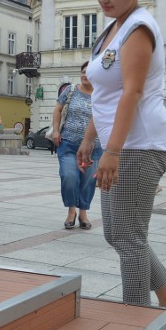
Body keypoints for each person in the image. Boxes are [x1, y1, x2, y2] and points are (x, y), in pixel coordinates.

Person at [76, 0, 166, 309]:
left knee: (128, 238)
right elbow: (103, 94)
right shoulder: (113, 28)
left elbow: (132, 93)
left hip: (138, 144)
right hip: (121, 143)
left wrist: (111, 152)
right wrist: (90, 139)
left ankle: (136, 321)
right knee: (119, 235)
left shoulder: (138, 27)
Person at [51, 61, 101, 230]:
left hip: (94, 148)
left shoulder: (102, 95)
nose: (84, 74)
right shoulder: (71, 90)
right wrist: (56, 131)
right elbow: (57, 109)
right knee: (69, 176)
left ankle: (83, 212)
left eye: (88, 72)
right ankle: (71, 211)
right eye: (82, 71)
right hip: (68, 144)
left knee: (88, 181)